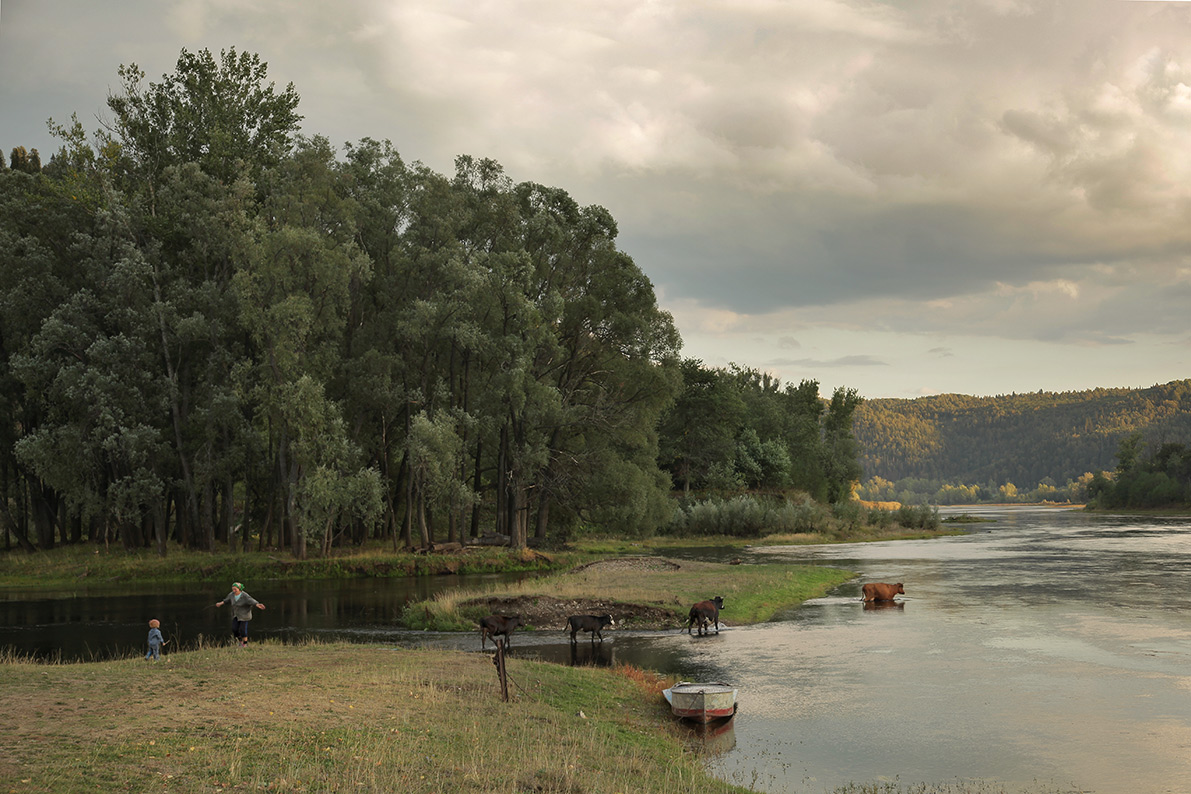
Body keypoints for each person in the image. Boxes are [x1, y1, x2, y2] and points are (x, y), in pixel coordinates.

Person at [214, 582, 266, 647]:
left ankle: (245, 643)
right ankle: (240, 641)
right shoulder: (231, 594)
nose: (234, 590)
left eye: (235, 589)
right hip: (236, 615)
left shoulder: (245, 596)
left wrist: (257, 604)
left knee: (242, 630)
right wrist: (220, 603)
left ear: (239, 589)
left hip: (244, 616)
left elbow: (251, 600)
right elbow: (226, 600)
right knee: (234, 629)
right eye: (233, 589)